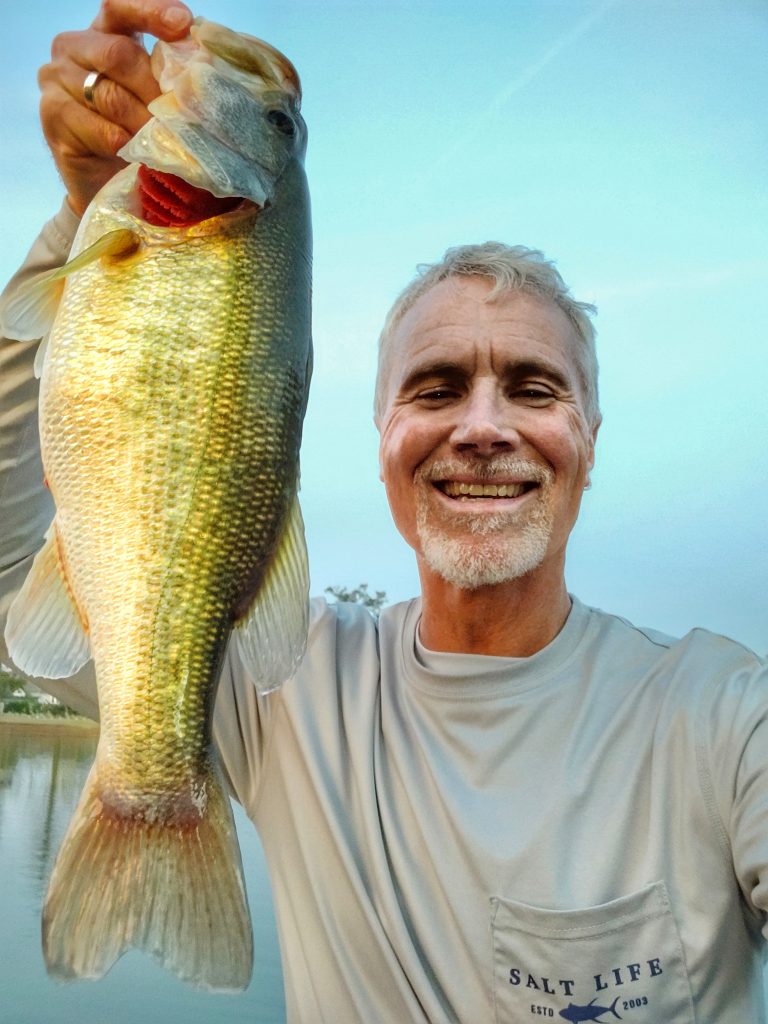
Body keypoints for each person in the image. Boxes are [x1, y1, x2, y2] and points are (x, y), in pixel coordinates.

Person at [1, 2, 766, 1022]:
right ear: (383, 439)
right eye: (438, 387)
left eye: (535, 389)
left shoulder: (724, 713)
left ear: (590, 438)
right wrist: (83, 218)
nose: (484, 426)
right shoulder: (287, 693)